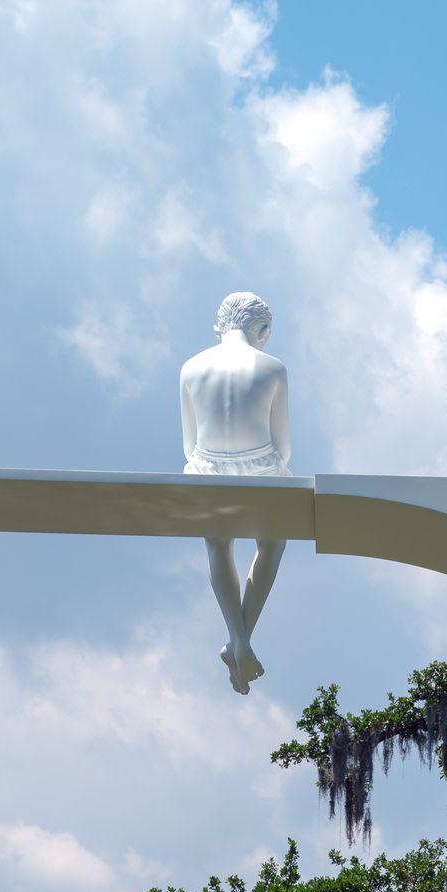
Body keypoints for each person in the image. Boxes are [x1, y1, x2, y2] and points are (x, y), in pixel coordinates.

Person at [179, 293, 291, 694]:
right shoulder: (273, 367)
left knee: (218, 544)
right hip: (260, 467)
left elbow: (189, 445)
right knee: (274, 541)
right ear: (261, 330)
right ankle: (240, 640)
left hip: (206, 470)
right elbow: (284, 446)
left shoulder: (190, 368)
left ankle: (239, 641)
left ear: (219, 326)